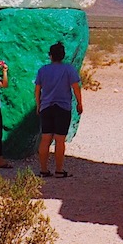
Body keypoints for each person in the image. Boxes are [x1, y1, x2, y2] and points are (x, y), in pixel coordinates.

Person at [34, 41, 82, 178]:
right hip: (63, 107)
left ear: (50, 56)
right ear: (63, 55)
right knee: (60, 140)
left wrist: (38, 105)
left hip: (46, 107)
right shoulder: (68, 69)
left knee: (45, 138)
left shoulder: (43, 70)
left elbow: (37, 89)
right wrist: (79, 103)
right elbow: (75, 87)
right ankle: (59, 170)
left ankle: (43, 170)